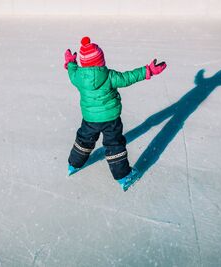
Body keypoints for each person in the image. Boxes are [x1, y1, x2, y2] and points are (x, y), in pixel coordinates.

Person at [64, 36, 166, 191]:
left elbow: (71, 72)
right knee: (114, 145)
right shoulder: (110, 76)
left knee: (84, 139)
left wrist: (71, 62)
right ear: (101, 60)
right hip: (111, 119)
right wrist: (148, 70)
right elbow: (128, 78)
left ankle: (74, 164)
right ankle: (123, 176)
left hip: (90, 118)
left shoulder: (78, 76)